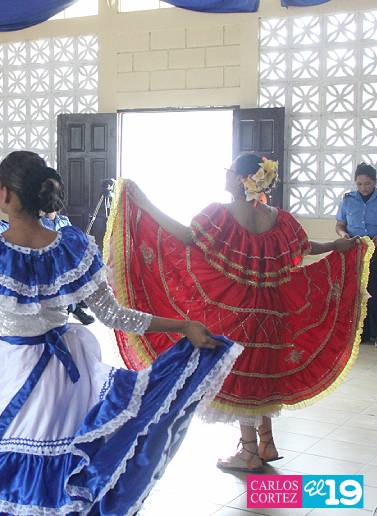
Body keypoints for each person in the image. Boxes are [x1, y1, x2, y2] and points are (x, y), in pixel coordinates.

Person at [0, 150, 240, 514]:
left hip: (8, 371)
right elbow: (113, 315)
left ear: (5, 194)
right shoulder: (71, 247)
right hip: (63, 378)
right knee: (58, 467)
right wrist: (182, 325)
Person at [105, 152, 369, 473]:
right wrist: (333, 246)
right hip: (273, 311)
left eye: (229, 172)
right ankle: (267, 442)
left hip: (237, 310)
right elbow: (303, 247)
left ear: (242, 179)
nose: (226, 176)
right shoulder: (279, 218)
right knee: (264, 373)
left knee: (244, 378)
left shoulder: (221, 214)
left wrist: (145, 204)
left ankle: (248, 452)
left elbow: (187, 237)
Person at [336, 162, 377, 342]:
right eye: (359, 184)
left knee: (373, 290)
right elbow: (340, 225)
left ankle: (373, 332)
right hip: (354, 250)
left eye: (367, 184)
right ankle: (356, 333)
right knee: (354, 290)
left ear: (374, 182)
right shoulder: (348, 199)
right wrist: (343, 235)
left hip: (375, 250)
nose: (363, 188)